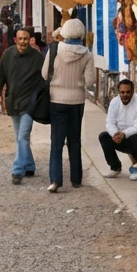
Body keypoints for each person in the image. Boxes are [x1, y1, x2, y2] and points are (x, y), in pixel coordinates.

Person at [41, 17, 95, 192]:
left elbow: (43, 74)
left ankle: (56, 180)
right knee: (74, 140)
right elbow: (90, 82)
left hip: (56, 99)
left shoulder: (55, 49)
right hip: (77, 101)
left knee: (56, 141)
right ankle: (76, 179)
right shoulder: (87, 54)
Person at [0, 26, 44, 183]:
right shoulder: (8, 54)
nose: (23, 42)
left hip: (29, 103)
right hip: (13, 101)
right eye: (20, 39)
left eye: (26, 39)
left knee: (23, 136)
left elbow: (47, 76)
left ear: (30, 40)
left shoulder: (37, 57)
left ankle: (17, 170)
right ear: (15, 40)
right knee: (19, 137)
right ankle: (29, 165)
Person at [99, 79, 137, 179]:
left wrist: (124, 134)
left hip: (135, 138)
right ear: (118, 92)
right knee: (103, 136)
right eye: (122, 92)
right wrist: (115, 133)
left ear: (133, 91)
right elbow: (110, 122)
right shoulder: (114, 102)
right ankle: (115, 167)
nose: (125, 95)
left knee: (136, 138)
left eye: (128, 92)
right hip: (119, 137)